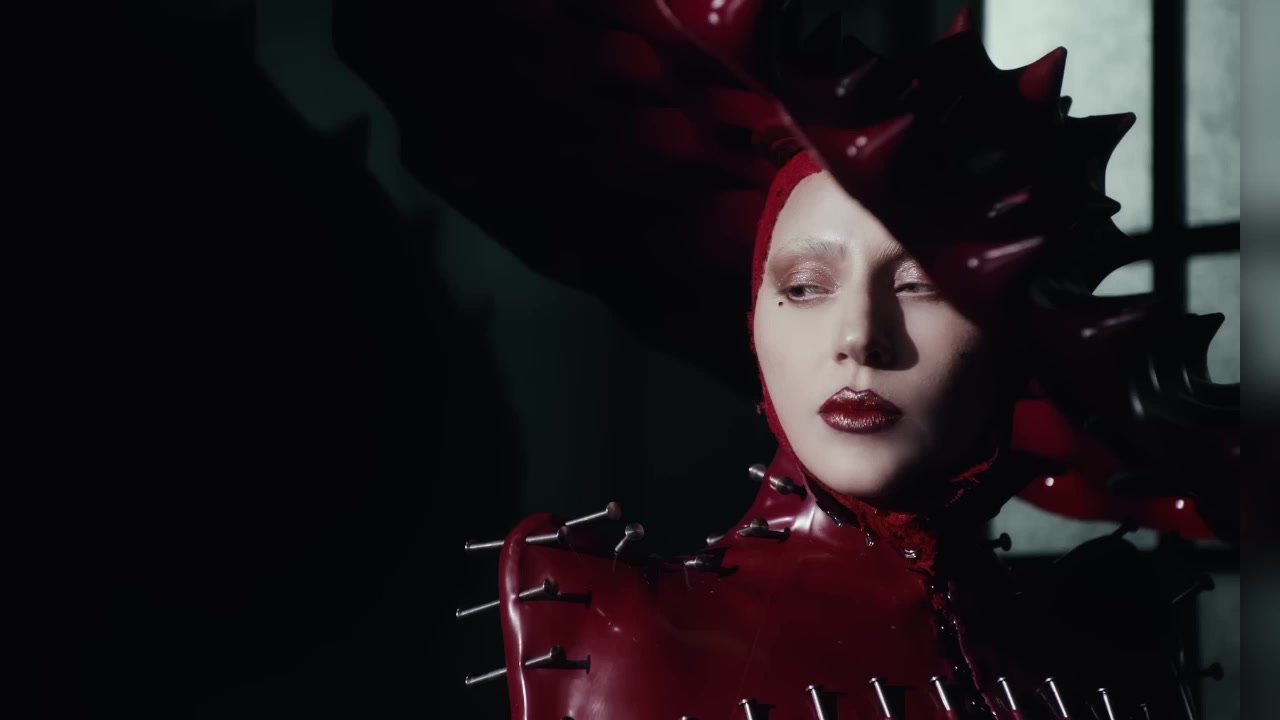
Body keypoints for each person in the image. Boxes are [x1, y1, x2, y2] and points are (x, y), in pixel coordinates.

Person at [337, 2, 1239, 717]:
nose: (859, 337)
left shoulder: (1111, 645)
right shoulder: (608, 620)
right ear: (754, 318)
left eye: (922, 285)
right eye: (804, 286)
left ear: (1013, 337)